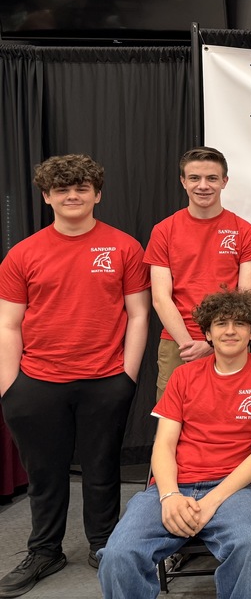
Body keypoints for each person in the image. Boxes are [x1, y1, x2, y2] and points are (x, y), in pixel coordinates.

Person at [0, 154, 149, 598]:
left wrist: (127, 377)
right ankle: (45, 550)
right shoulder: (23, 253)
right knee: (45, 473)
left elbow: (139, 315)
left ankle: (104, 544)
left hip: (106, 378)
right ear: (47, 197)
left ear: (97, 194)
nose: (72, 196)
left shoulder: (124, 247)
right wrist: (9, 387)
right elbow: (8, 323)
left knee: (102, 468)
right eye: (62, 189)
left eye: (81, 188)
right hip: (37, 381)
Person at [97, 290, 251, 599]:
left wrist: (211, 501)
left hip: (232, 490)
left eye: (240, 324)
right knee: (117, 554)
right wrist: (169, 496)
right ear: (207, 333)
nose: (230, 331)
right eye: (221, 324)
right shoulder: (183, 376)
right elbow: (163, 445)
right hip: (173, 485)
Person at [145, 146, 251, 400]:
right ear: (183, 181)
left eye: (211, 178)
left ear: (224, 181)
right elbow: (160, 298)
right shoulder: (164, 231)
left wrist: (213, 343)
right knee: (173, 418)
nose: (203, 186)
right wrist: (189, 345)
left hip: (230, 340)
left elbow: (246, 298)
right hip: (179, 343)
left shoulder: (244, 231)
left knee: (230, 414)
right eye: (194, 178)